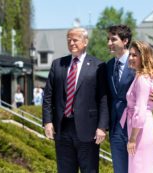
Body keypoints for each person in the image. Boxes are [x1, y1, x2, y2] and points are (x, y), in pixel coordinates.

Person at [42, 27, 109, 173]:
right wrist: (47, 122)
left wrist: (102, 127)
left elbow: (103, 99)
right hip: (62, 129)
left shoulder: (99, 66)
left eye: (75, 40)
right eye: (69, 40)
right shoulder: (57, 64)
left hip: (89, 130)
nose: (71, 43)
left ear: (85, 42)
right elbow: (48, 96)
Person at [106, 24, 153, 173]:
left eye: (113, 39)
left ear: (125, 41)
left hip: (137, 127)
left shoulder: (139, 66)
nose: (109, 43)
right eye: (108, 39)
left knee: (139, 168)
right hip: (116, 127)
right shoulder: (108, 66)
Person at [120, 40, 153, 173]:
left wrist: (132, 139)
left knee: (138, 169)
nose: (130, 58)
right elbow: (151, 105)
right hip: (144, 130)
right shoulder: (146, 77)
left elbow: (141, 111)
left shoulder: (142, 79)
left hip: (141, 133)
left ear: (143, 57)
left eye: (135, 55)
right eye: (130, 55)